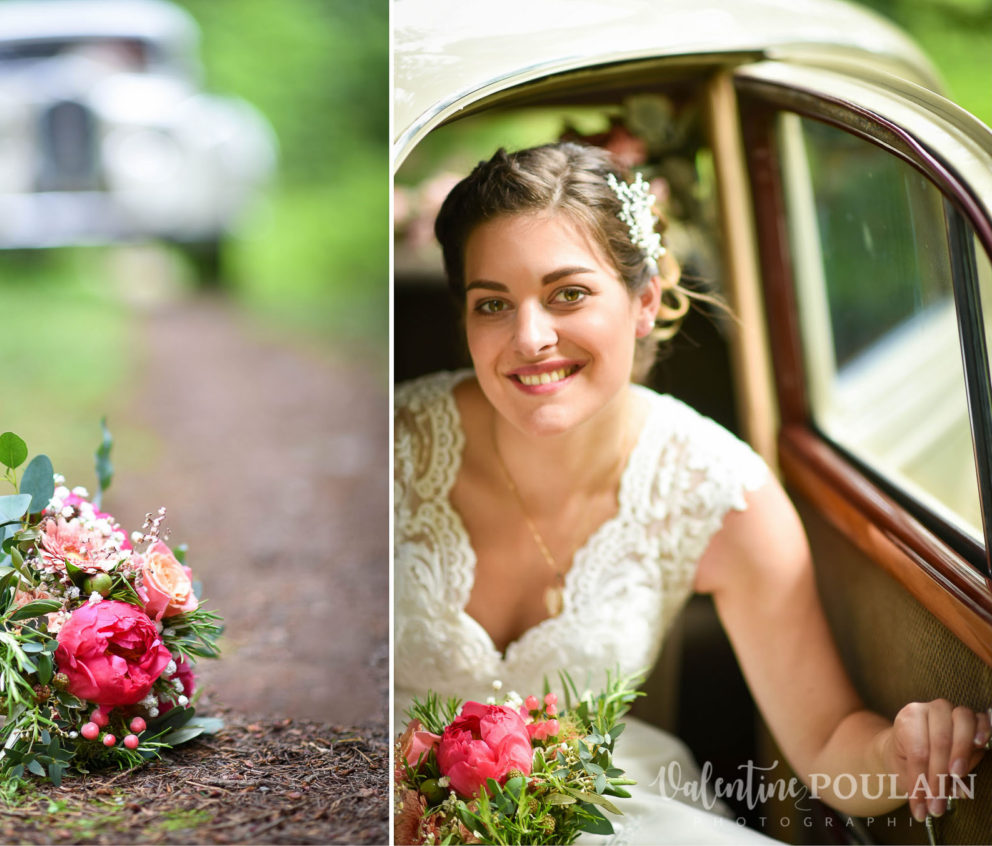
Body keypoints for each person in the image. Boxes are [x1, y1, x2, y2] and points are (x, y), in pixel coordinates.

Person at [393, 141, 990, 841]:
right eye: (492, 303)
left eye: (569, 293)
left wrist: (901, 753)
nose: (529, 337)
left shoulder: (718, 489)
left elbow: (828, 741)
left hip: (595, 817)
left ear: (643, 300)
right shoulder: (395, 446)